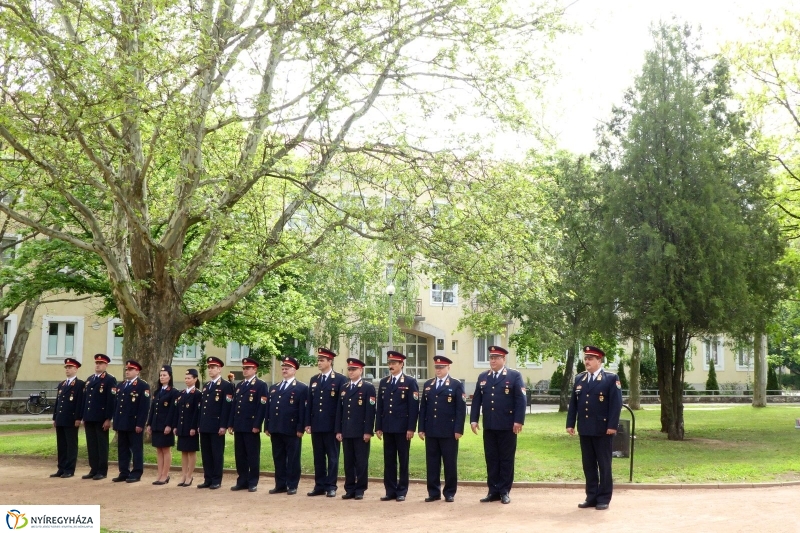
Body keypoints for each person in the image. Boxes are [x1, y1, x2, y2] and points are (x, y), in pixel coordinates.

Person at [566, 345, 623, 511]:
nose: (587, 361)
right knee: (588, 464)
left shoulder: (610, 378)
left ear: (599, 360)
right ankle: (591, 496)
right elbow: (573, 404)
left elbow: (616, 404)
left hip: (602, 429)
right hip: (585, 428)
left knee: (604, 465)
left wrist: (612, 426)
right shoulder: (580, 379)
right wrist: (570, 423)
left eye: (590, 359)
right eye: (586, 358)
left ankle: (603, 498)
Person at [470, 345, 526, 504]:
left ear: (503, 359)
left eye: (496, 358)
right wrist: (474, 419)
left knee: (506, 459)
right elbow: (477, 400)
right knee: (491, 459)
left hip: (507, 425)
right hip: (489, 425)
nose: (492, 360)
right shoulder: (483, 377)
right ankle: (493, 490)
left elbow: (520, 400)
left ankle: (504, 491)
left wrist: (518, 420)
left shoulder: (514, 376)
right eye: (491, 358)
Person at [418, 356, 466, 503]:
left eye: (441, 367)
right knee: (432, 463)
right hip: (431, 430)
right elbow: (423, 408)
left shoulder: (456, 384)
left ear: (448, 368)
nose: (438, 370)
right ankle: (433, 492)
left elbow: (460, 409)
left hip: (449, 431)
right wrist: (421, 428)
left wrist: (458, 429)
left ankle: (449, 492)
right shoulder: (428, 385)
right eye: (437, 367)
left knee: (449, 463)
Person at [375, 350, 419, 502]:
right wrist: (378, 426)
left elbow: (413, 407)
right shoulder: (384, 382)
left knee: (403, 460)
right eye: (389, 363)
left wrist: (411, 428)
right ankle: (390, 490)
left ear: (401, 364)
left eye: (394, 363)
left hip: (402, 428)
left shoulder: (409, 382)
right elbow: (380, 406)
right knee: (389, 460)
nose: (391, 366)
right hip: (387, 426)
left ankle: (402, 491)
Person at [305, 347, 347, 498]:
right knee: (318, 457)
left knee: (333, 457)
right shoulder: (314, 380)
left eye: (322, 360)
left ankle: (331, 486)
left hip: (331, 426)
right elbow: (309, 403)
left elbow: (341, 406)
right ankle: (319, 485)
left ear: (330, 361)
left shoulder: (340, 379)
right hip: (316, 424)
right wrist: (308, 423)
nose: (319, 363)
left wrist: (339, 427)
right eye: (318, 360)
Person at [265, 357, 308, 496]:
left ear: (294, 370)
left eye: (287, 368)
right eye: (283, 368)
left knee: (293, 458)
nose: (284, 370)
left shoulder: (301, 388)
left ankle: (292, 485)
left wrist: (300, 428)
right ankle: (280, 484)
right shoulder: (274, 388)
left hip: (292, 429)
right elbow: (269, 408)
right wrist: (267, 425)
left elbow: (302, 410)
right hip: (276, 428)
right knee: (278, 458)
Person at [335, 357, 376, 500]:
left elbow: (370, 412)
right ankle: (350, 488)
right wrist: (338, 430)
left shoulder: (367, 387)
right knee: (348, 462)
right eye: (349, 369)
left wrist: (368, 431)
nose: (351, 372)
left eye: (354, 369)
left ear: (361, 370)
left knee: (361, 462)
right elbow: (340, 411)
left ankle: (360, 489)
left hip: (360, 431)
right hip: (347, 430)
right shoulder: (344, 388)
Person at [227, 357, 268, 492]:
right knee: (240, 455)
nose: (245, 370)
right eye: (244, 368)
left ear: (255, 369)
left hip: (251, 426)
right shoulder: (240, 385)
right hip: (239, 424)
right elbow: (234, 406)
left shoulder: (260, 385)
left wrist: (257, 425)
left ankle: (253, 481)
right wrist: (231, 423)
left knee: (252, 455)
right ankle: (242, 480)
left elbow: (261, 407)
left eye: (248, 368)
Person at [112, 359, 151, 483]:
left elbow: (144, 408)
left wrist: (140, 423)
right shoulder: (121, 385)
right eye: (126, 369)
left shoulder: (142, 386)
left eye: (130, 370)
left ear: (137, 371)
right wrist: (116, 422)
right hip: (122, 423)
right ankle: (124, 472)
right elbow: (117, 406)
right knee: (122, 449)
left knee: (136, 449)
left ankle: (136, 473)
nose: (127, 372)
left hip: (134, 423)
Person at [197, 356, 233, 490]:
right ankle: (208, 478)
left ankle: (216, 480)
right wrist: (200, 424)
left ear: (219, 369)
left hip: (217, 425)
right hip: (205, 425)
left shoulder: (226, 385)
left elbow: (226, 407)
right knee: (206, 454)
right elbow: (202, 407)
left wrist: (223, 425)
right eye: (209, 368)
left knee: (217, 454)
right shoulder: (207, 386)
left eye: (213, 367)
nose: (210, 370)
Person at [81, 353, 117, 480]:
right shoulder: (90, 379)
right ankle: (93, 469)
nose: (98, 365)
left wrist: (108, 418)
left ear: (106, 365)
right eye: (96, 363)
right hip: (89, 416)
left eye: (101, 363)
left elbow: (111, 400)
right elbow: (86, 399)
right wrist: (84, 416)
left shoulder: (109, 379)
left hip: (101, 418)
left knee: (101, 445)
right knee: (91, 444)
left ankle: (102, 470)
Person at [50, 358, 85, 479]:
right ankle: (61, 468)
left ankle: (69, 469)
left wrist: (78, 418)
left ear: (76, 369)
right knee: (61, 445)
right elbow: (58, 402)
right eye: (66, 367)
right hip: (61, 418)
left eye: (70, 367)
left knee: (71, 445)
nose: (67, 370)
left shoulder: (79, 384)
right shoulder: (62, 384)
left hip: (71, 419)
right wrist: (55, 417)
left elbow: (80, 402)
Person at [146, 365, 179, 485]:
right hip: (156, 424)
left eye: (164, 375)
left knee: (165, 449)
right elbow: (152, 409)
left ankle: (165, 475)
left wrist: (169, 425)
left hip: (165, 425)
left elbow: (173, 410)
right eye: (160, 375)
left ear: (170, 377)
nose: (162, 377)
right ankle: (159, 474)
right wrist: (149, 423)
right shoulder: (157, 392)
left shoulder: (173, 392)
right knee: (159, 450)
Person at [174, 368, 202, 487]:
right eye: (185, 378)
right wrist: (175, 426)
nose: (186, 380)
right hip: (182, 426)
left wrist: (194, 427)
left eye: (189, 378)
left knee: (191, 451)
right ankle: (184, 474)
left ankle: (190, 475)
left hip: (191, 427)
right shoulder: (181, 393)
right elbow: (178, 411)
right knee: (183, 451)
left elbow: (197, 412)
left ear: (195, 379)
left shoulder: (197, 394)